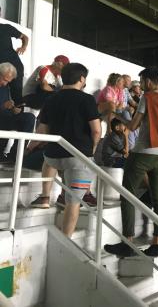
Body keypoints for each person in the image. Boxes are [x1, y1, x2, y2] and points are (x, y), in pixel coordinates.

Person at [104, 68, 158, 258]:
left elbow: (133, 125)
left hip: (143, 153)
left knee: (127, 194)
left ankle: (128, 242)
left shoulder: (148, 98)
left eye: (141, 81)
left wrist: (116, 115)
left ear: (147, 81)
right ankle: (156, 242)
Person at [26, 63, 101, 237]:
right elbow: (96, 130)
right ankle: (65, 240)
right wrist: (93, 147)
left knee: (48, 161)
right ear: (81, 79)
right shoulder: (87, 99)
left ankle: (45, 196)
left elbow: (42, 130)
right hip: (78, 157)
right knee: (73, 203)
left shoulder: (51, 98)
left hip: (53, 155)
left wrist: (30, 145)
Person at [0, 62, 35, 161]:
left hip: (6, 117)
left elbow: (6, 103)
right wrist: (2, 106)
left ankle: (16, 155)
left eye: (8, 81)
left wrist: (13, 108)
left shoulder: (5, 87)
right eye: (4, 80)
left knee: (29, 118)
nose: (5, 83)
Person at [0, 17, 28, 104]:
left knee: (17, 96)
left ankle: (19, 114)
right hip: (1, 70)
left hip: (14, 67)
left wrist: (23, 47)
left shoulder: (5, 28)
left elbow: (25, 37)